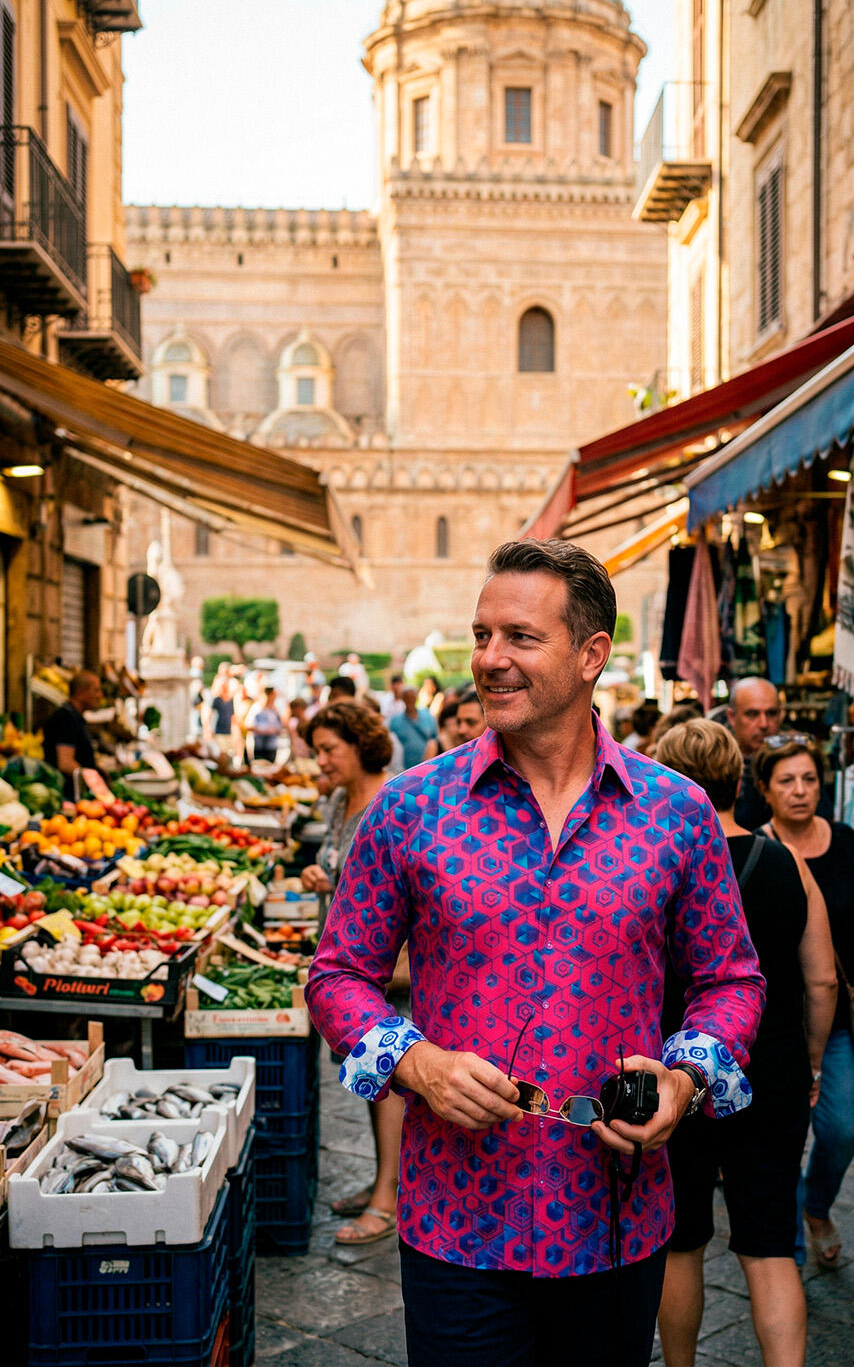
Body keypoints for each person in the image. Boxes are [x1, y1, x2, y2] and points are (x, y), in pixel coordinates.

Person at [306, 538, 765, 1367]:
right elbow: (339, 975)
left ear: (592, 655)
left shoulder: (677, 813)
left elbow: (730, 980)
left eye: (519, 637)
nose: (489, 659)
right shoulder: (412, 807)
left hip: (615, 1221)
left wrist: (686, 1077)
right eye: (482, 636)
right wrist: (418, 1064)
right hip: (457, 1223)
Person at [655, 720, 837, 1367]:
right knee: (768, 1245)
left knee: (681, 1242)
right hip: (772, 1070)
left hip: (674, 1076)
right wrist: (812, 1059)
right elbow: (823, 978)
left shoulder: (656, 866)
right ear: (740, 781)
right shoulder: (786, 862)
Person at [754, 733, 854, 1270]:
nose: (799, 791)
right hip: (775, 1025)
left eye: (809, 779)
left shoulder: (840, 840)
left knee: (844, 1127)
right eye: (786, 781)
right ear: (765, 790)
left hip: (834, 1019)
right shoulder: (757, 849)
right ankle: (784, 1256)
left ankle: (817, 1206)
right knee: (781, 1140)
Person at [298, 701, 405, 1248]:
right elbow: (347, 876)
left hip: (393, 970)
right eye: (317, 749)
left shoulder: (392, 801)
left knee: (389, 1082)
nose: (320, 761)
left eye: (328, 750)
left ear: (360, 746)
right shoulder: (341, 800)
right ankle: (382, 1183)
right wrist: (323, 880)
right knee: (372, 1081)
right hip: (352, 969)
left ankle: (388, 1200)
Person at [728, 677, 782, 829]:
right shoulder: (718, 767)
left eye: (771, 713)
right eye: (752, 714)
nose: (764, 724)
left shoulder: (794, 765)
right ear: (732, 717)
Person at [43, 671, 103, 798]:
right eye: (96, 690)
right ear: (81, 693)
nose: (100, 695)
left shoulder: (74, 716)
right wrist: (95, 782)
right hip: (66, 797)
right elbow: (65, 763)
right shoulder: (65, 719)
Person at [389, 686, 437, 770]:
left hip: (428, 765)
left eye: (412, 697)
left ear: (416, 697)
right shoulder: (395, 721)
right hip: (405, 768)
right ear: (403, 699)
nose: (410, 700)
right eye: (407, 698)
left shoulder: (427, 715)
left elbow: (434, 738)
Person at [245, 685, 283, 764]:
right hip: (259, 746)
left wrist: (275, 730)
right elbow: (248, 725)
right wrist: (263, 730)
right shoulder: (257, 708)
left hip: (271, 746)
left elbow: (280, 726)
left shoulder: (275, 709)